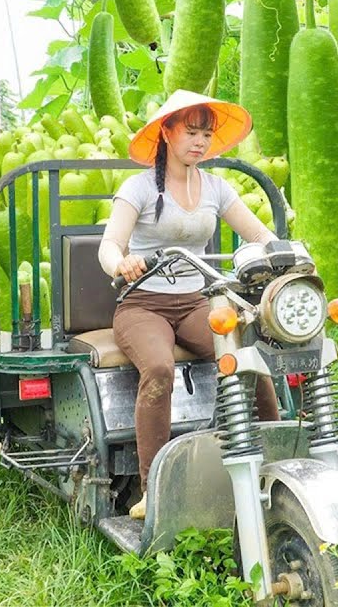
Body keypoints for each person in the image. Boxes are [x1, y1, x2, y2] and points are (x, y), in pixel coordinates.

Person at [98, 90, 281, 519]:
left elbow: (259, 236)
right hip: (141, 303)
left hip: (196, 301)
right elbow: (110, 244)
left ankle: (270, 465)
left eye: (206, 134)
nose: (199, 142)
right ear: (166, 133)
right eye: (190, 132)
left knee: (248, 354)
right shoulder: (139, 186)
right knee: (159, 369)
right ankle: (153, 489)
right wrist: (121, 262)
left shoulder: (217, 188)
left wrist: (285, 252)